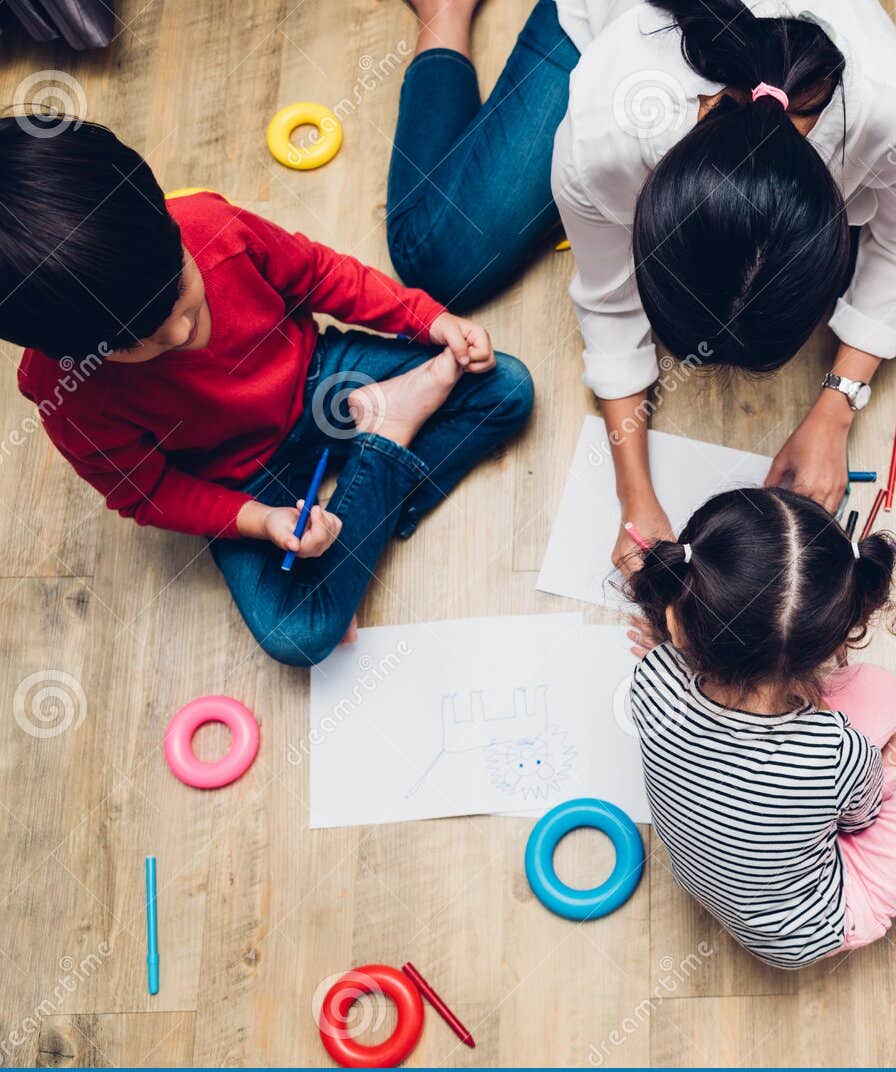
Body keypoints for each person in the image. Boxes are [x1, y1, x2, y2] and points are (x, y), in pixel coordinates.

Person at [386, 0, 896, 566]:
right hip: (616, 21)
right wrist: (633, 497)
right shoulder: (605, 134)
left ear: (831, 215)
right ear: (651, 216)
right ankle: (446, 14)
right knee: (438, 257)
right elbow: (610, 304)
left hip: (847, 85)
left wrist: (835, 408)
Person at [1, 117, 532, 666]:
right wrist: (261, 520)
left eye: (181, 289)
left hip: (319, 373)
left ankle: (356, 522)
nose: (183, 333)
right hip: (243, 480)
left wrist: (429, 319)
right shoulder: (66, 392)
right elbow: (148, 491)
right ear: (70, 350)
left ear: (163, 215)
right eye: (140, 341)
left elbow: (324, 276)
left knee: (506, 387)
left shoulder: (210, 225)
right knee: (295, 635)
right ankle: (383, 449)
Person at [622, 487, 896, 967]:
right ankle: (889, 775)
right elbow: (859, 821)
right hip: (810, 925)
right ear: (827, 648)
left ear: (678, 624)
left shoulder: (653, 674)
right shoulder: (835, 749)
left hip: (718, 865)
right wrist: (895, 767)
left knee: (877, 695)